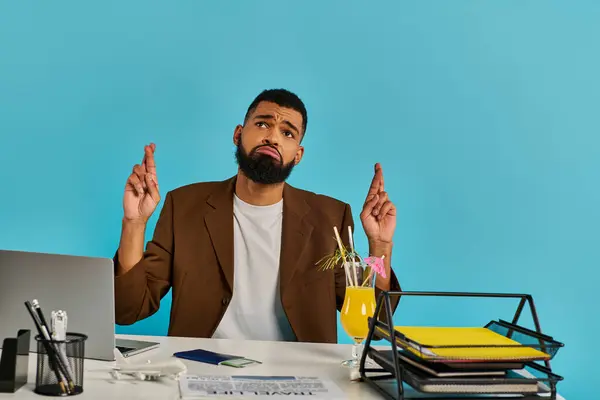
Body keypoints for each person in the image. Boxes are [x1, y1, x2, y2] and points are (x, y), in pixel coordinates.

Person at [114, 89, 400, 343]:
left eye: (288, 133)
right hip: (201, 370)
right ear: (238, 134)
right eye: (262, 123)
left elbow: (373, 326)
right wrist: (134, 223)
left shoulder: (331, 217)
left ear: (297, 154)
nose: (273, 137)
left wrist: (380, 247)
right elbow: (127, 308)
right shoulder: (184, 205)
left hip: (303, 377)